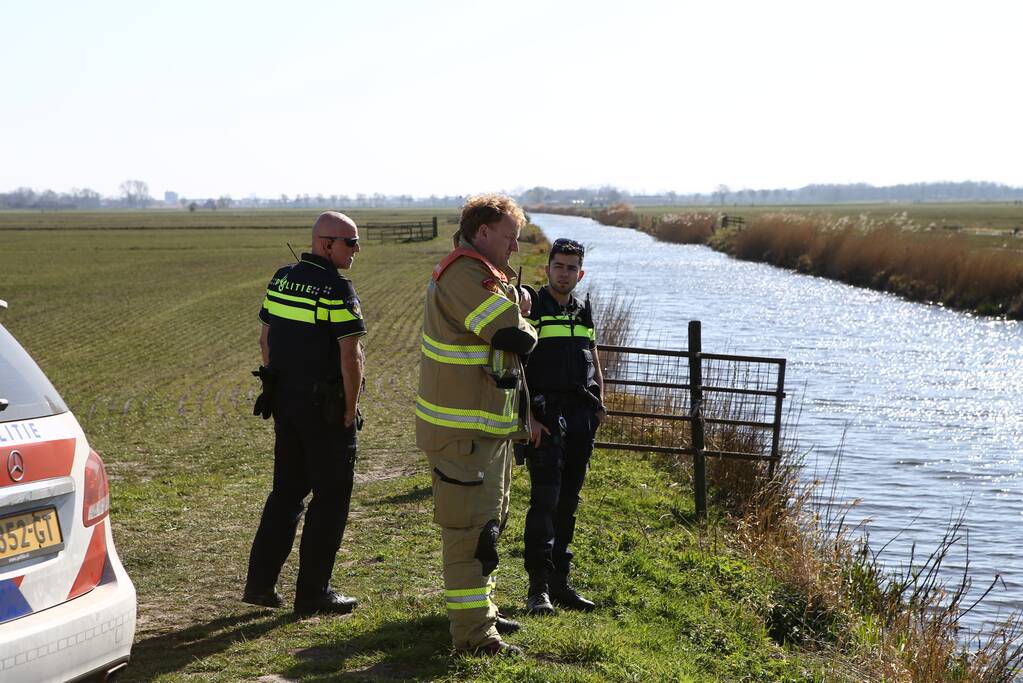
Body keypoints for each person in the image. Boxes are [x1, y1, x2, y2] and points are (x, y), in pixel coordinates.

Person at [416, 194, 538, 656]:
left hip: (484, 432)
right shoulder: (465, 274)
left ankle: (482, 613)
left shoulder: (485, 275)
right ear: (483, 232)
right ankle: (473, 637)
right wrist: (527, 320)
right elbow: (510, 335)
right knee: (471, 536)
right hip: (462, 436)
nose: (515, 247)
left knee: (488, 528)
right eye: (510, 237)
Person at [243, 211, 366, 617]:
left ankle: (260, 585)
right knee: (331, 500)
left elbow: (266, 339)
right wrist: (350, 409)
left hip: (287, 403)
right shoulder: (336, 288)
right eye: (350, 242)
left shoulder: (281, 277)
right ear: (325, 244)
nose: (355, 250)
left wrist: (278, 385)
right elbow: (351, 356)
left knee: (286, 494)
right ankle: (314, 592)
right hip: (326, 411)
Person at [519, 237, 604, 616]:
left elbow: (594, 356)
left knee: (568, 502)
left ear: (580, 273)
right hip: (546, 416)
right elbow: (517, 364)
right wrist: (529, 418)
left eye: (571, 268)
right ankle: (537, 590)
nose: (564, 273)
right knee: (545, 502)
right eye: (559, 266)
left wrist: (601, 404)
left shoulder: (584, 310)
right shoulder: (533, 306)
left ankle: (560, 584)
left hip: (582, 416)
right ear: (548, 268)